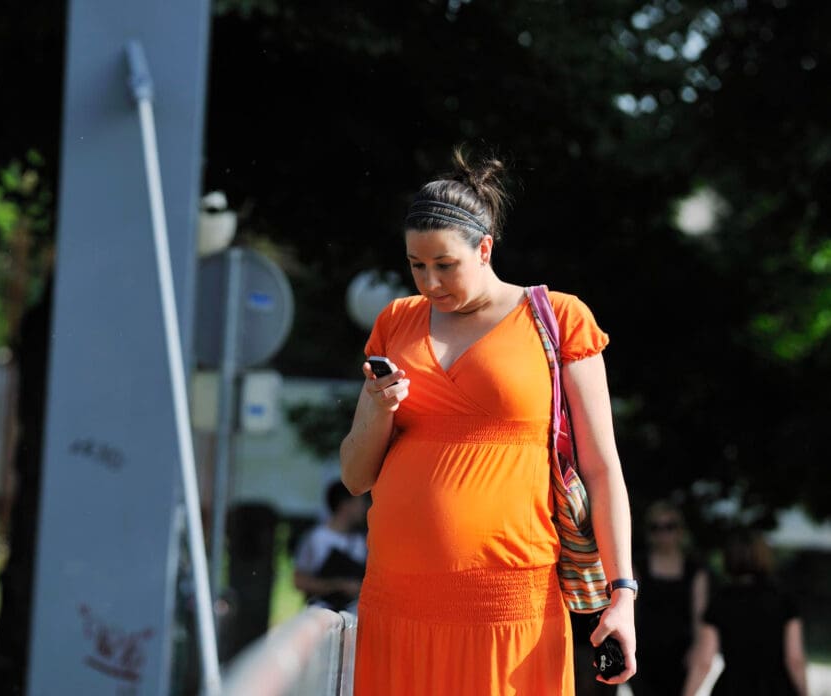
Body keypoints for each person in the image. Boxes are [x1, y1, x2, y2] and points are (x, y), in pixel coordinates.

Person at [340, 147, 637, 695]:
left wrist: (623, 593)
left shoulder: (559, 318)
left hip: (508, 603)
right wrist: (378, 408)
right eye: (416, 265)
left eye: (445, 265)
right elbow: (356, 476)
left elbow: (601, 467)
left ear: (484, 248)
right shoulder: (395, 321)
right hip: (395, 599)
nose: (429, 282)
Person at [684, 531, 808, 696]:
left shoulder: (721, 600)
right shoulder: (783, 598)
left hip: (732, 687)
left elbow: (705, 660)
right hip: (777, 687)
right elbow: (795, 659)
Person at [630, 500, 709, 696]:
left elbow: (700, 615)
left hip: (682, 653)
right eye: (656, 527)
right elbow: (630, 610)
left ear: (680, 530)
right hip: (644, 652)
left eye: (670, 526)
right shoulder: (638, 566)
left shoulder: (695, 570)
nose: (664, 533)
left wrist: (699, 648)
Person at [293, 480, 369, 613]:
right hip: (321, 613)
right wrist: (339, 585)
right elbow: (299, 581)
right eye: (360, 502)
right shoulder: (316, 538)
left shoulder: (362, 540)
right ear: (345, 504)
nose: (364, 507)